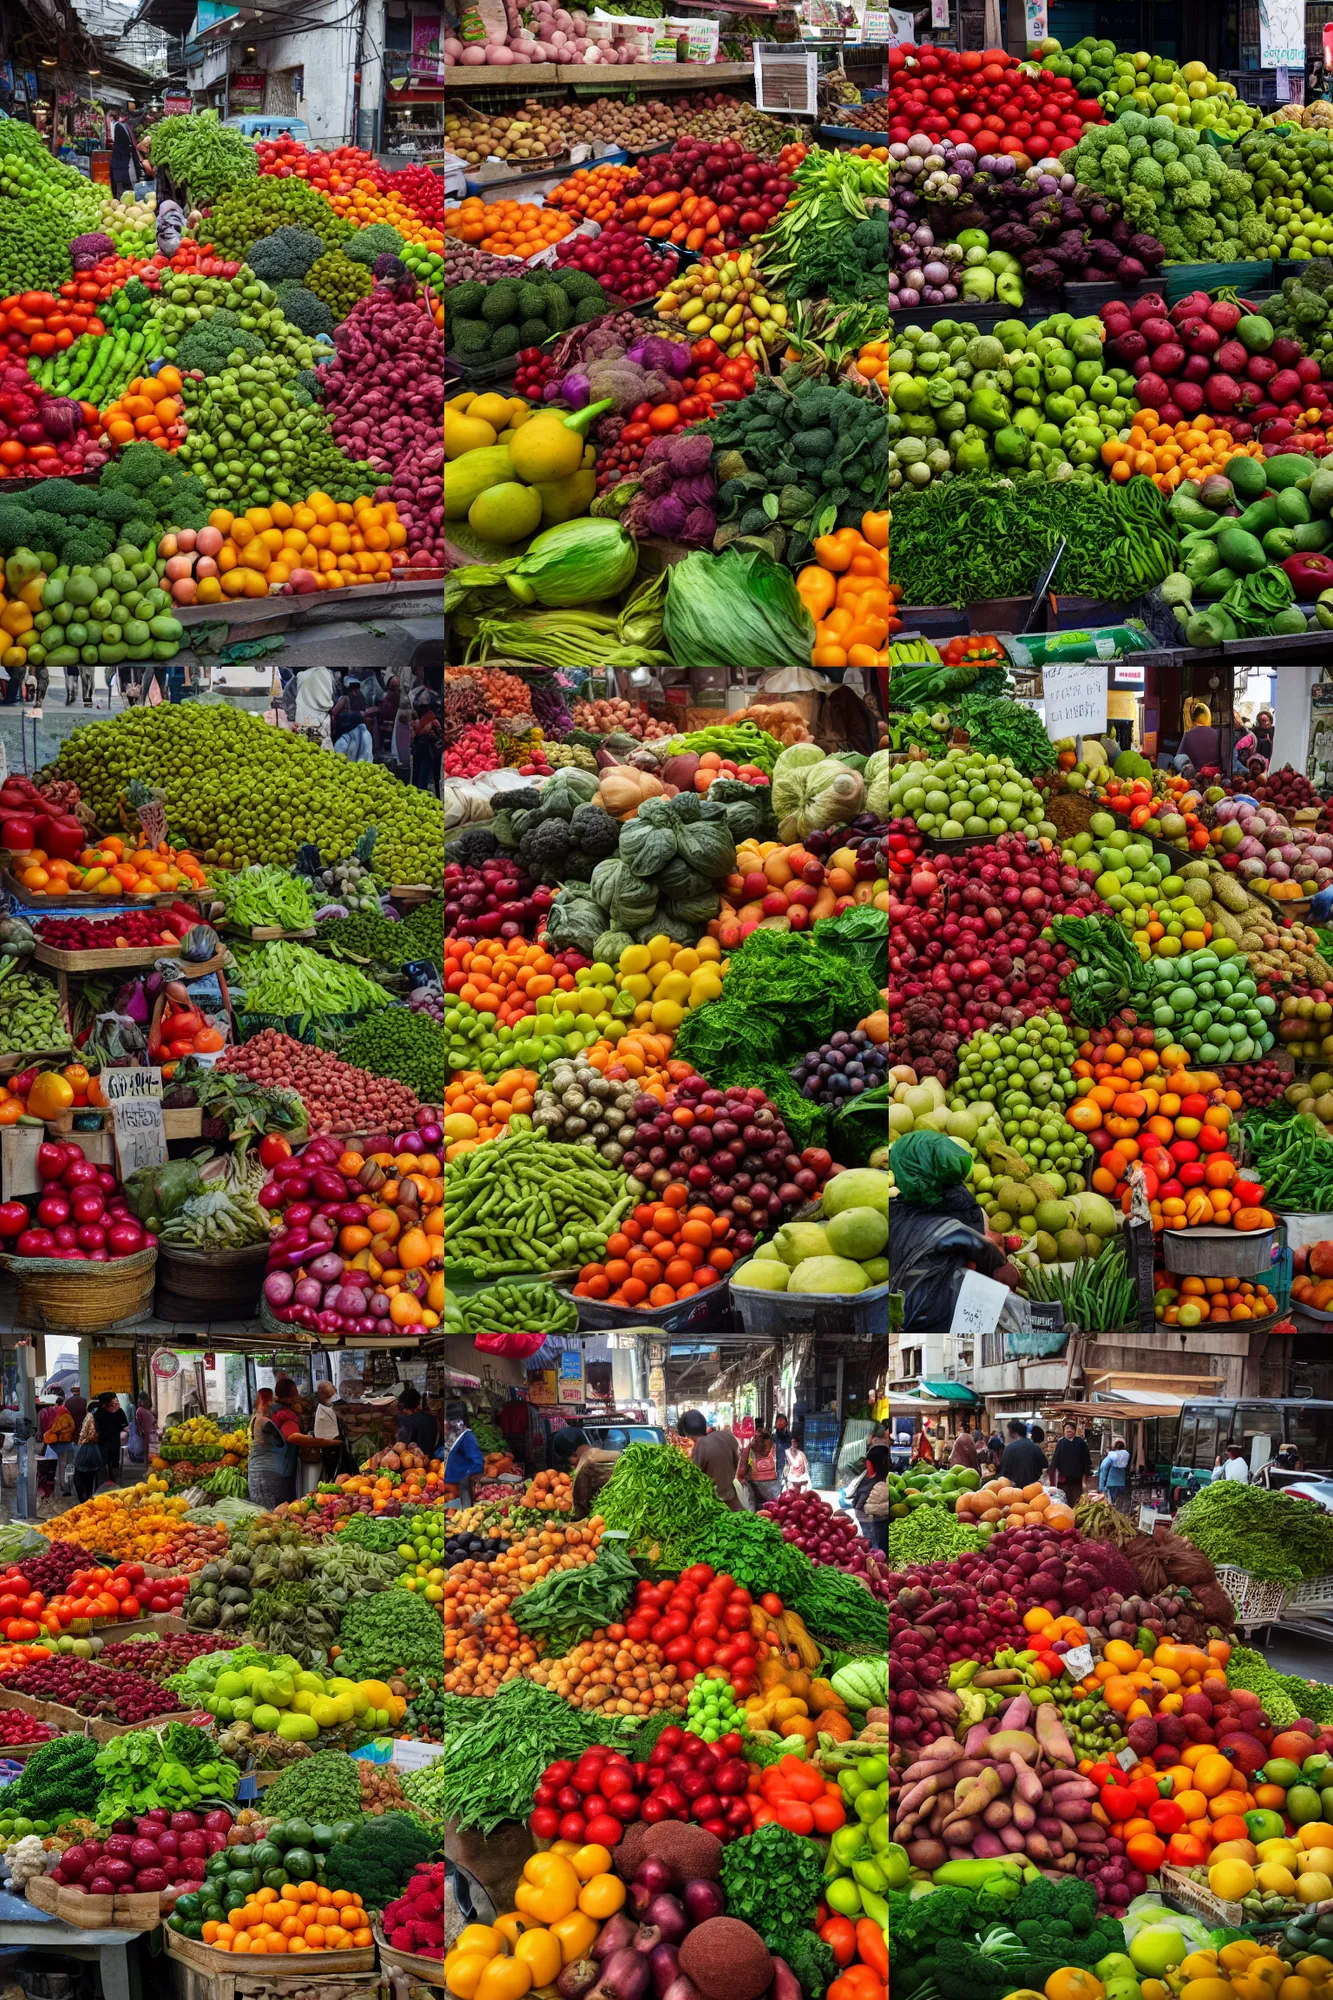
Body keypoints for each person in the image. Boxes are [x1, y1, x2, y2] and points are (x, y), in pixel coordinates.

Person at [889, 1130, 1008, 1329]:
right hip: (936, 1320)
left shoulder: (893, 1211)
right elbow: (1002, 1271)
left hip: (902, 1314)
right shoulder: (954, 1227)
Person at [248, 1381, 313, 1509]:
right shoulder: (282, 1415)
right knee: (278, 1512)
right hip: (275, 1473)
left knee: (263, 1513)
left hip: (255, 1472)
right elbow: (292, 1437)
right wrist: (317, 1439)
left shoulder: (256, 1417)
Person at [679, 1408, 740, 1509]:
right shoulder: (726, 1436)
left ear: (687, 1434)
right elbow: (737, 1462)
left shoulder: (700, 1445)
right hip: (733, 1497)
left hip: (715, 1503)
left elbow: (692, 1478)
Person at [552, 1427, 619, 1518]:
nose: (572, 1466)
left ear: (574, 1456)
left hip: (603, 1519)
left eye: (570, 1462)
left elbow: (580, 1511)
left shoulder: (584, 1469)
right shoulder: (603, 1453)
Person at [439, 1401, 485, 1507]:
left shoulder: (467, 1436)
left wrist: (466, 1477)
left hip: (457, 1488)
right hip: (445, 1484)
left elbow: (478, 1462)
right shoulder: (452, 1435)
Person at [313, 1380, 354, 1483]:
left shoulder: (333, 1406)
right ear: (321, 1394)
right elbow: (323, 1439)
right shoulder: (322, 1413)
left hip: (340, 1449)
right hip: (331, 1452)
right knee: (337, 1479)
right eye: (330, 1395)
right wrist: (340, 1442)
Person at [37, 1391, 74, 1504]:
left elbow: (40, 1429)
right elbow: (71, 1427)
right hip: (64, 1442)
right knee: (65, 1466)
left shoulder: (42, 1412)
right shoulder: (65, 1412)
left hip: (49, 1442)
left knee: (48, 1468)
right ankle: (65, 1487)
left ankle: (48, 1493)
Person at [1049, 1419, 1092, 1509]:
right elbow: (1055, 1460)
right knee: (1064, 1502)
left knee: (1076, 1502)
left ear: (1075, 1431)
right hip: (1064, 1481)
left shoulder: (1080, 1443)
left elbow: (1086, 1460)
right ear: (1064, 1431)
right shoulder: (1061, 1443)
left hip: (1077, 1481)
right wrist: (1052, 1478)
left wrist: (1085, 1479)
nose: (1069, 1430)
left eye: (1071, 1428)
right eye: (1067, 1428)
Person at [332, 678, 374, 762]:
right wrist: (356, 715)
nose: (356, 692)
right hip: (347, 733)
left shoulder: (360, 698)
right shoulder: (344, 699)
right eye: (354, 689)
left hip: (359, 731)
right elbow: (334, 714)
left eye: (357, 688)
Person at [1175, 704, 1223, 774]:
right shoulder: (1217, 734)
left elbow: (1178, 758)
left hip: (1194, 776)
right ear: (1208, 717)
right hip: (1216, 774)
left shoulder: (1188, 735)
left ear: (1193, 718)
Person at [998, 1419, 1046, 1487]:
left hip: (1014, 1491)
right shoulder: (1035, 1448)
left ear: (1013, 1433)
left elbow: (1003, 1473)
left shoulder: (1009, 1449)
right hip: (1033, 1489)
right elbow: (1045, 1468)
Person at [93, 1391, 128, 1483]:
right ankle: (113, 1481)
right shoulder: (118, 1412)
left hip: (103, 1442)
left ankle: (107, 1482)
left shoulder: (98, 1413)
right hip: (110, 1442)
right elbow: (124, 1426)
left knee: (106, 1463)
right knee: (112, 1463)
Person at [739, 1429, 779, 1508]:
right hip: (769, 1490)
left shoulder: (750, 1449)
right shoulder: (774, 1447)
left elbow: (742, 1471)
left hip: (759, 1489)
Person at [72, 1407, 104, 1504]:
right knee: (90, 1476)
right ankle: (88, 1496)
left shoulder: (89, 1417)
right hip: (94, 1451)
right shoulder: (100, 1418)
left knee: (80, 1475)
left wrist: (79, 1444)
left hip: (86, 1449)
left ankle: (83, 1498)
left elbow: (83, 1434)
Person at [863, 1445, 891, 1554]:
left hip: (880, 1524)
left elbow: (868, 1508)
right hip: (880, 1523)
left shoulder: (878, 1486)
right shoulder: (885, 1482)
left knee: (880, 1552)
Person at [110, 113, 145, 199]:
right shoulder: (118, 126)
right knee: (122, 187)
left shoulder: (126, 127)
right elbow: (121, 144)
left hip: (125, 162)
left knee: (126, 185)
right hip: (121, 162)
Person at [395, 1386, 439, 1455]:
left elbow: (401, 1447)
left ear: (403, 1405)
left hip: (412, 1461)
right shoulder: (431, 1418)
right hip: (429, 1460)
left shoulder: (407, 1422)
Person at [1097, 1435, 1131, 1509]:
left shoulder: (1113, 1455)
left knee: (1110, 1504)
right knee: (1120, 1503)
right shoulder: (1127, 1455)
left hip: (1111, 1483)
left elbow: (1103, 1467)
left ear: (1115, 1446)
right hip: (1122, 1482)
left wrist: (1101, 1487)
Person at [130, 1391, 155, 1466]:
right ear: (144, 1401)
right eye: (147, 1400)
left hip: (147, 1437)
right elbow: (145, 1426)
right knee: (149, 1458)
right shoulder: (142, 1410)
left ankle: (147, 1471)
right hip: (147, 1438)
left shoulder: (142, 1410)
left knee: (148, 1458)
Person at [773, 1412, 791, 1487]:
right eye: (778, 1421)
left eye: (782, 1420)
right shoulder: (772, 1438)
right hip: (776, 1468)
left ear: (786, 1423)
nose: (780, 1423)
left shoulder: (790, 1437)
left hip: (789, 1467)